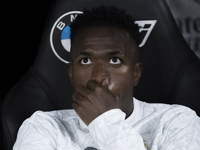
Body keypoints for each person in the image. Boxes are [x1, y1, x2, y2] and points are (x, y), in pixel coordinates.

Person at [13, 5, 200, 150]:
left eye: (115, 60)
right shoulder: (42, 127)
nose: (99, 76)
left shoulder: (178, 121)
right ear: (71, 73)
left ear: (136, 73)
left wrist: (106, 121)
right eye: (85, 60)